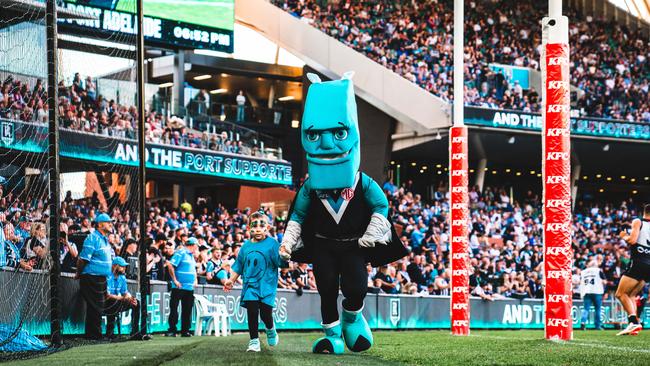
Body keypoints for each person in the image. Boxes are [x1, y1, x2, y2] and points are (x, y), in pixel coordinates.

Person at [224, 211, 282, 352]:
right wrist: (231, 280)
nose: (257, 230)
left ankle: (270, 328)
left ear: (267, 228)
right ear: (249, 228)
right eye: (254, 227)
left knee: (265, 314)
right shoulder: (245, 247)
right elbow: (238, 266)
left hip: (267, 286)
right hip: (250, 286)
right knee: (252, 311)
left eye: (261, 227)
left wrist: (285, 257)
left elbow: (280, 262)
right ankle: (254, 341)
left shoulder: (273, 244)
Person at [76, 213, 114, 340]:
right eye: (108, 222)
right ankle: (95, 335)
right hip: (91, 277)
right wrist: (79, 272)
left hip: (101, 278)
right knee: (96, 306)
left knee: (97, 306)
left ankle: (92, 334)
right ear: (100, 224)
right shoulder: (92, 238)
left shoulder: (105, 240)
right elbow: (83, 259)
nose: (111, 224)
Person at [615, 204, 650, 336]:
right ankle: (634, 328)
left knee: (620, 294)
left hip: (639, 262)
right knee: (631, 295)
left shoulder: (638, 221)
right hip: (649, 264)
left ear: (644, 212)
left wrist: (623, 235)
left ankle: (633, 322)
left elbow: (633, 240)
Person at [104, 257, 151, 340]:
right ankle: (109, 334)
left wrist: (131, 298)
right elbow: (107, 296)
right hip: (104, 303)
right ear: (114, 266)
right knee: (112, 302)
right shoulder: (107, 276)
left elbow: (125, 293)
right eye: (122, 266)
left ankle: (135, 332)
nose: (124, 268)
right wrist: (123, 298)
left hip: (116, 301)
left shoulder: (122, 277)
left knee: (136, 303)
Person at [165, 237, 198, 337]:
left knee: (187, 310)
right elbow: (171, 265)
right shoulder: (181, 252)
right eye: (196, 246)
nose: (197, 248)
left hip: (189, 287)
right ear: (192, 245)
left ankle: (185, 330)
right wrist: (175, 280)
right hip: (178, 287)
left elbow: (193, 269)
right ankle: (172, 330)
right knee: (174, 308)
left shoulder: (191, 256)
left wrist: (195, 279)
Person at [580, 259, 606, 330]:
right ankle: (597, 326)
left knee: (586, 309)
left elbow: (581, 282)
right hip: (597, 291)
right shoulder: (598, 270)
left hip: (586, 291)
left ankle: (583, 322)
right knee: (598, 309)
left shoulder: (583, 272)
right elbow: (604, 281)